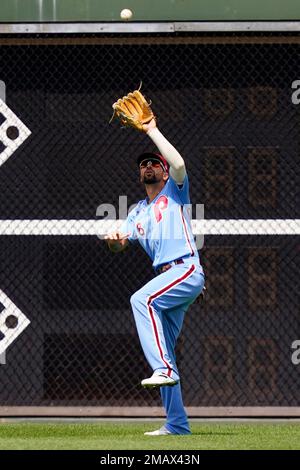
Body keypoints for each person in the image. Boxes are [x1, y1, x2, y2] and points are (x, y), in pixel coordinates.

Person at [105, 117, 205, 435]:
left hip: (185, 269)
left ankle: (160, 368)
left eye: (154, 164)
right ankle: (177, 424)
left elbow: (178, 162)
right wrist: (114, 240)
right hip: (169, 279)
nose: (148, 166)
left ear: (163, 172)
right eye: (144, 164)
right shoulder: (137, 211)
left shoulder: (175, 194)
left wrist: (151, 130)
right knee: (168, 350)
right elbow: (120, 243)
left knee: (141, 299)